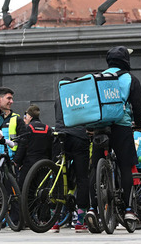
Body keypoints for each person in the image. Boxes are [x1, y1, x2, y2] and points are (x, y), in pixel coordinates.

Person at [86, 46, 141, 230]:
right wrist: (137, 123)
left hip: (100, 127)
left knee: (95, 165)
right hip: (121, 125)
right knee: (125, 167)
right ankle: (129, 210)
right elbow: (138, 105)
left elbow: (90, 102)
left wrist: (89, 127)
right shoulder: (130, 79)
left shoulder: (98, 77)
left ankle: (92, 209)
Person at [53, 91, 90, 232]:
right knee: (82, 178)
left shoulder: (57, 99)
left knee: (57, 177)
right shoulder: (80, 97)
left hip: (60, 137)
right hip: (79, 138)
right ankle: (80, 221)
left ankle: (54, 220)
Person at [13, 105, 53, 189]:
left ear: (30, 116)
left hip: (29, 163)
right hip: (44, 163)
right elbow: (51, 147)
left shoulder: (28, 128)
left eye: (26, 116)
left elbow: (22, 146)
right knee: (42, 188)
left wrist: (17, 161)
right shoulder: (48, 129)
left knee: (24, 188)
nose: (25, 119)